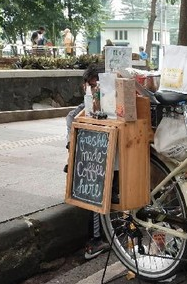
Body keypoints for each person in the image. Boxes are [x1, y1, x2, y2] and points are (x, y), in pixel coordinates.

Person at [64, 64, 109, 260]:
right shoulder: (77, 114)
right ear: (85, 87)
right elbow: (71, 145)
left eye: (99, 85)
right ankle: (95, 240)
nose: (95, 90)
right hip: (92, 166)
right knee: (93, 180)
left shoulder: (112, 109)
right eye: (92, 86)